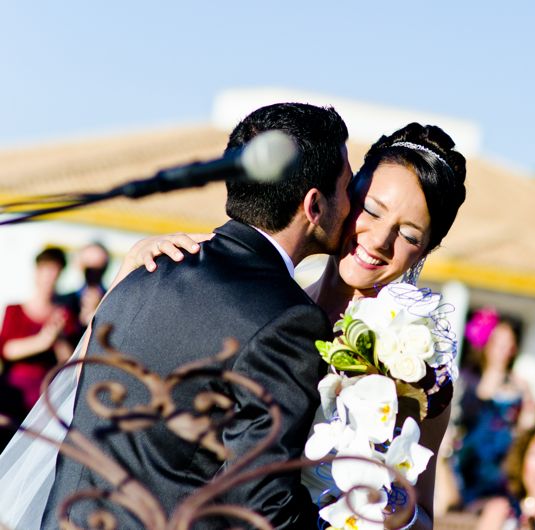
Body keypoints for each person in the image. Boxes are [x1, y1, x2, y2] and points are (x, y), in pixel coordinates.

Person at [119, 120, 468, 529]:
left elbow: (423, 513)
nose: (378, 241)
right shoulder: (256, 307)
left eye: (408, 234)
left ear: (426, 250)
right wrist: (140, 266)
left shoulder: (420, 372)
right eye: (371, 210)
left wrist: (387, 512)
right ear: (346, 194)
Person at [39, 102, 354, 529]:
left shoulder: (145, 270)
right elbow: (261, 502)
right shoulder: (287, 318)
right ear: (313, 205)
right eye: (348, 188)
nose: (352, 205)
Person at [451, 308, 535, 508]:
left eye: (508, 344)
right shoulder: (465, 381)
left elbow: (526, 431)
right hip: (463, 467)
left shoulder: (520, 389)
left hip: (498, 474)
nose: (503, 349)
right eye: (498, 342)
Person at [0, 247, 79, 421]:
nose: (49, 277)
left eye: (54, 271)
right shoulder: (14, 310)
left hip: (45, 400)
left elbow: (70, 362)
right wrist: (42, 341)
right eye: (46, 270)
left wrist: (58, 338)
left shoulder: (65, 315)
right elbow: (7, 350)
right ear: (36, 272)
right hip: (10, 397)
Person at [58, 242, 110, 330]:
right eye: (89, 263)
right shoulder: (64, 302)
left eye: (98, 264)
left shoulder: (112, 301)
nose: (93, 270)